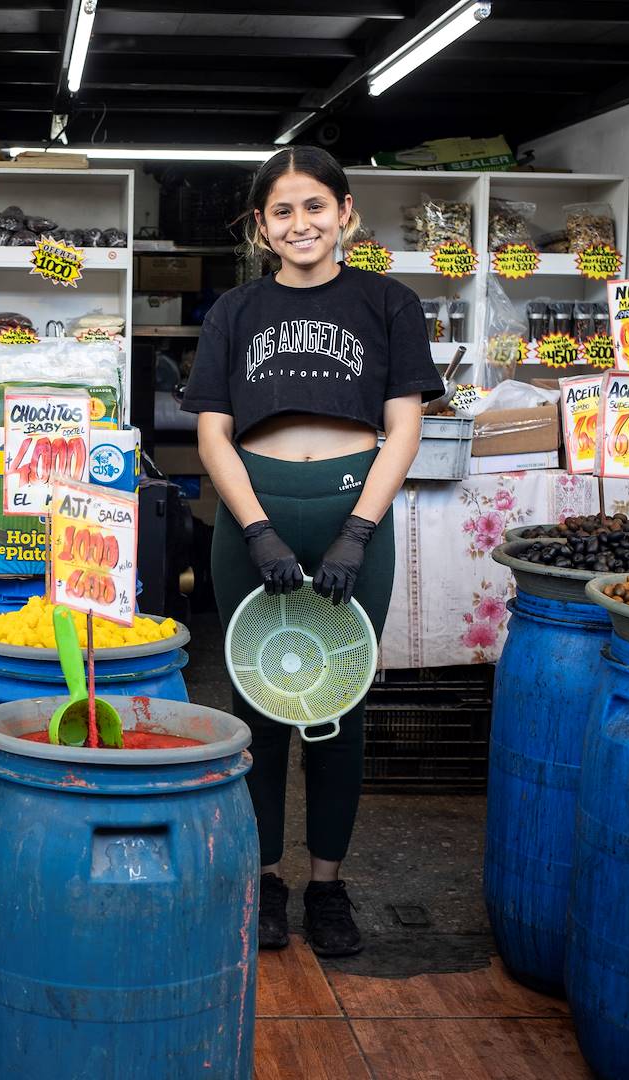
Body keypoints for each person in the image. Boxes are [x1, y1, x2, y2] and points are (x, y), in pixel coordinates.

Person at [180, 146, 441, 955]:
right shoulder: (233, 312)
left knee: (340, 704)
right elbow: (211, 432)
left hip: (348, 509)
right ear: (261, 226)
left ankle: (328, 888)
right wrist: (254, 527)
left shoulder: (389, 303)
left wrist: (359, 530)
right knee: (256, 702)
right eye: (283, 210)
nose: (301, 224)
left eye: (315, 207)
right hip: (251, 508)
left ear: (347, 214)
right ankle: (261, 878)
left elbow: (405, 427)